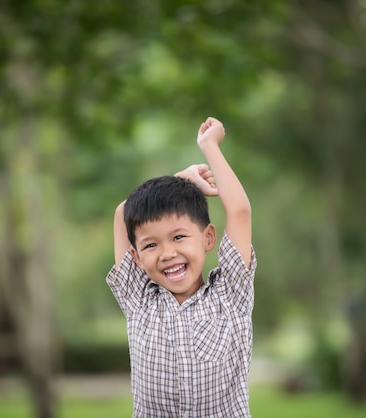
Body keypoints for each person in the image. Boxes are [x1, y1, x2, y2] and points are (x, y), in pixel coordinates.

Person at [106, 116, 257, 417]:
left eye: (178, 237)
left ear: (208, 237)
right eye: (151, 245)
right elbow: (123, 213)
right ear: (136, 257)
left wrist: (209, 146)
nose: (167, 253)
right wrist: (182, 179)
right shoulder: (138, 300)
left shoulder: (231, 296)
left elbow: (239, 211)